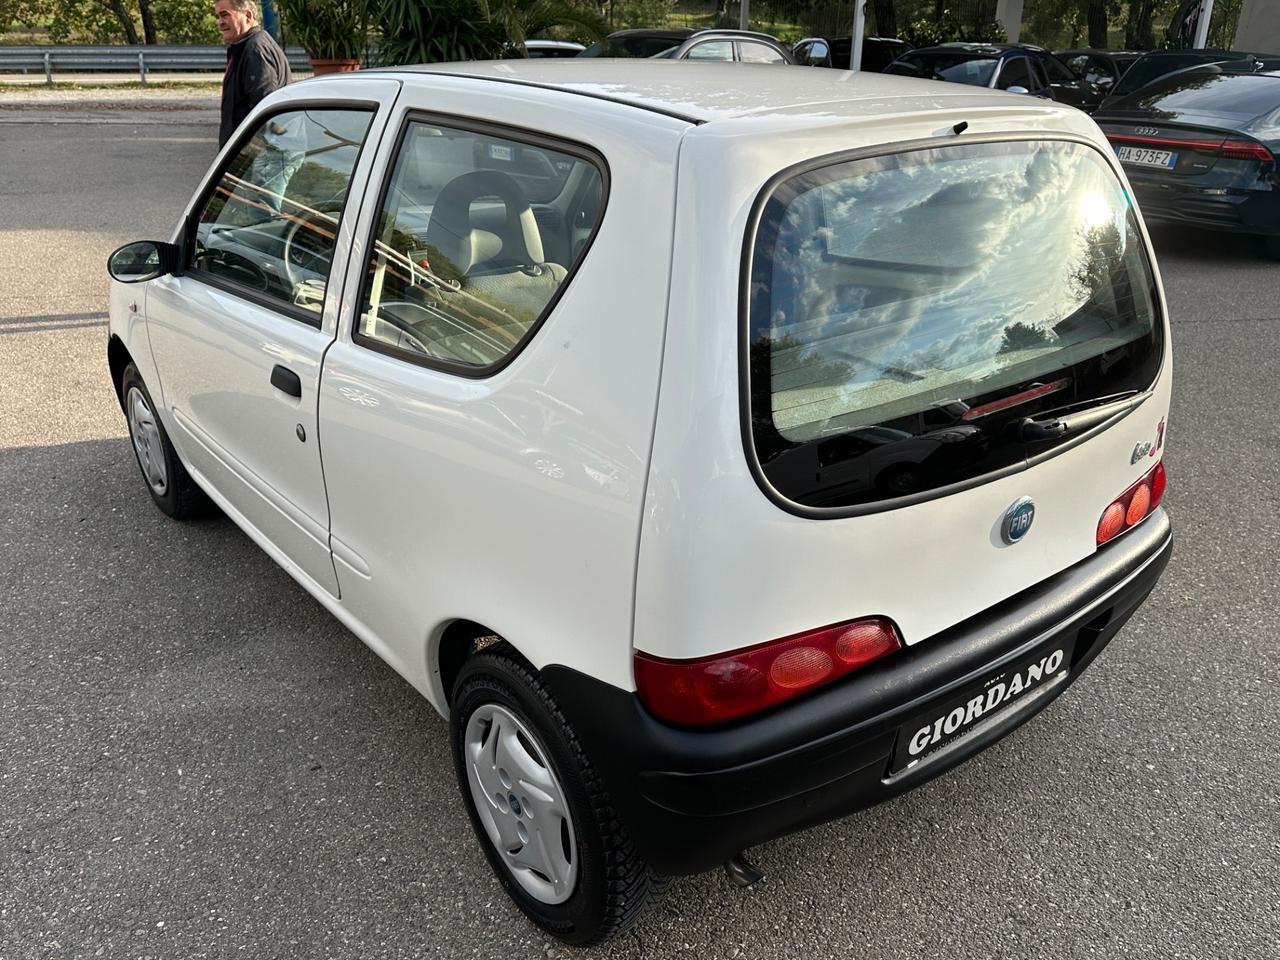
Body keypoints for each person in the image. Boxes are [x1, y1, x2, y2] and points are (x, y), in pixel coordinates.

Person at [215, 0, 292, 148]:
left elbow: (265, 110)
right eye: (218, 16)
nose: (220, 22)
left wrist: (245, 159)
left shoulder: (255, 50)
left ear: (248, 15)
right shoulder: (245, 47)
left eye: (225, 15)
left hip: (265, 154)